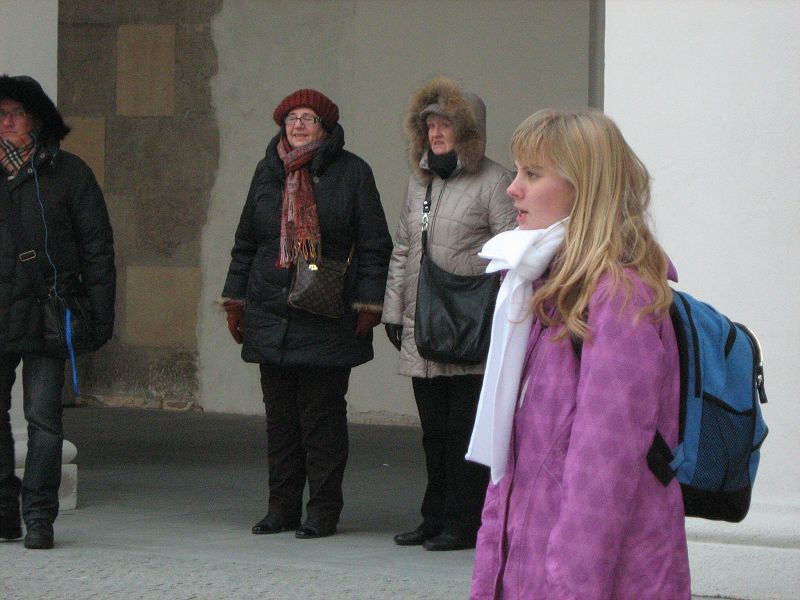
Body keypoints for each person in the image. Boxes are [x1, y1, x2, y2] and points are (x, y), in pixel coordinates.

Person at [467, 109, 690, 598]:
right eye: (517, 170)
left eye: (533, 173)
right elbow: (513, 462)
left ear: (584, 187)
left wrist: (568, 589)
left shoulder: (619, 297)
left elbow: (602, 474)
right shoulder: (537, 282)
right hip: (532, 560)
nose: (512, 188)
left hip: (590, 575)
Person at [222, 89, 392, 540]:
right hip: (271, 311)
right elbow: (246, 243)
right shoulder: (267, 171)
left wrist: (368, 304)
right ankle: (281, 509)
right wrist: (235, 299)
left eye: (309, 118)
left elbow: (375, 245)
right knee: (280, 423)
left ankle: (322, 511)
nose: (298, 125)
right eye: (291, 118)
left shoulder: (353, 172)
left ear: (326, 127)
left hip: (326, 312)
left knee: (322, 422)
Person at [382, 77, 516, 551]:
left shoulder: (496, 182)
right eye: (430, 125)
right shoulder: (419, 181)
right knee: (433, 432)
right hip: (423, 326)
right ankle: (434, 516)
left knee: (463, 431)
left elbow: (510, 255)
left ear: (468, 130)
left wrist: (498, 319)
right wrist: (393, 313)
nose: (436, 133)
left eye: (446, 124)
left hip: (468, 327)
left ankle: (465, 521)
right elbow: (403, 248)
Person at [0, 75, 115, 550]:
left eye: (16, 113)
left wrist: (99, 315)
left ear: (37, 120)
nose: (6, 122)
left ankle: (39, 516)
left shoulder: (69, 173)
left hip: (48, 310)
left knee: (43, 419)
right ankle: (4, 511)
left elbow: (97, 248)